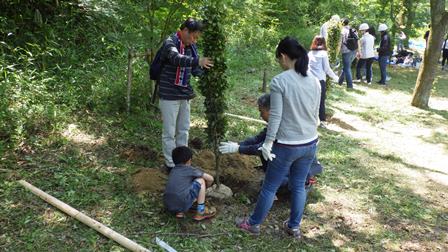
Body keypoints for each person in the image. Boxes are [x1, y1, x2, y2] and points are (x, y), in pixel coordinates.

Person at [235, 37, 320, 239]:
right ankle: (293, 226)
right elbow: (315, 114)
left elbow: (275, 117)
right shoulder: (315, 80)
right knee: (299, 185)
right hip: (310, 143)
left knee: (269, 187)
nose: (279, 63)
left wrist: (267, 142)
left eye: (278, 59)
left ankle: (253, 224)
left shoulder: (280, 81)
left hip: (287, 145)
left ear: (283, 56)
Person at [218, 93, 323, 189]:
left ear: (271, 111)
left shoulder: (284, 126)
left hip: (299, 170)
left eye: (261, 111)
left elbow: (261, 148)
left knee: (268, 185)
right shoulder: (278, 121)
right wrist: (238, 144)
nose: (260, 115)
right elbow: (258, 138)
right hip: (291, 162)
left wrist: (238, 149)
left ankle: (297, 184)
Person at [158, 18, 214, 170]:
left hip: (184, 95)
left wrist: (208, 72)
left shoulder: (191, 47)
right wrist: (197, 62)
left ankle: (182, 163)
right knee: (169, 132)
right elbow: (176, 59)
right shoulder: (170, 42)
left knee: (183, 130)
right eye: (193, 37)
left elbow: (195, 69)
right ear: (185, 31)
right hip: (169, 95)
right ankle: (170, 164)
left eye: (197, 38)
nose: (194, 41)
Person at [163, 146, 216, 221]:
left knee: (181, 189)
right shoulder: (190, 169)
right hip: (182, 201)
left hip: (168, 204)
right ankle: (200, 213)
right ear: (189, 160)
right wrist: (204, 190)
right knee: (201, 181)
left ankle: (179, 213)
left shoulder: (173, 170)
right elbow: (211, 178)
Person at [308, 35, 338, 125]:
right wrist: (336, 78)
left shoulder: (309, 53)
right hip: (320, 80)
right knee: (321, 101)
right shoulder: (323, 54)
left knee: (310, 100)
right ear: (324, 43)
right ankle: (322, 121)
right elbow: (327, 69)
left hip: (310, 80)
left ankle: (310, 120)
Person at [338, 18, 358, 89]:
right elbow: (357, 41)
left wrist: (338, 51)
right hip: (354, 51)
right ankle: (339, 82)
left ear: (342, 23)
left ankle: (350, 86)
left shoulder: (342, 31)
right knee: (346, 67)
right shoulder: (353, 30)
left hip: (346, 51)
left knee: (347, 68)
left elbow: (340, 42)